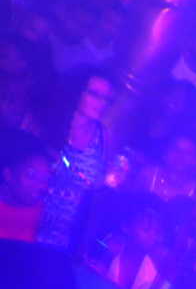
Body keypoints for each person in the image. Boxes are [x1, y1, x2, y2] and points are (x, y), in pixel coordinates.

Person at [37, 70, 114, 250]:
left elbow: (95, 187)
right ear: (77, 91)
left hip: (62, 237)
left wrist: (106, 181)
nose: (102, 103)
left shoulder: (102, 136)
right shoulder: (50, 122)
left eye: (106, 99)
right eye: (94, 94)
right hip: (29, 219)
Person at [0, 128, 51, 242]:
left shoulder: (44, 213)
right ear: (8, 174)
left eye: (46, 178)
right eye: (31, 175)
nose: (42, 185)